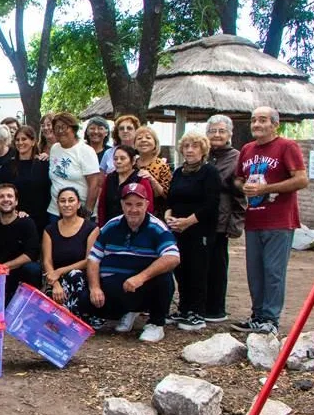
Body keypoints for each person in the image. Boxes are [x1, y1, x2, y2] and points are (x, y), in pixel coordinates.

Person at [231, 106, 308, 336]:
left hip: (279, 220)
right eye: (254, 120)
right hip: (254, 219)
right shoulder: (246, 149)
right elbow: (237, 179)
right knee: (254, 272)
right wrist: (243, 187)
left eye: (262, 120)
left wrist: (267, 188)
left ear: (275, 124)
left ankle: (271, 319)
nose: (256, 125)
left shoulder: (287, 147)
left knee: (273, 271)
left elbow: (301, 179)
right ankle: (257, 316)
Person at [81, 183, 180, 343]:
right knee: (86, 298)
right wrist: (95, 288)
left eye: (139, 204)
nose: (133, 209)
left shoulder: (157, 227)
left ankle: (156, 323)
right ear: (122, 205)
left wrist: (141, 277)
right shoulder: (111, 226)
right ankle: (126, 312)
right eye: (128, 204)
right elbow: (93, 258)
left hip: (142, 284)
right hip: (116, 284)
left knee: (165, 278)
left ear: (147, 204)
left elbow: (173, 257)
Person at [164, 132, 221, 332]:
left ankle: (197, 312)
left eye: (194, 146)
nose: (189, 150)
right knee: (180, 269)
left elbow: (211, 203)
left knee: (197, 270)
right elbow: (171, 198)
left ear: (203, 150)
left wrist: (188, 222)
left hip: (200, 229)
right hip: (177, 229)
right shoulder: (179, 172)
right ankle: (184, 308)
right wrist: (169, 216)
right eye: (186, 146)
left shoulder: (210, 173)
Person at [204, 115, 245, 323]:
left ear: (230, 134)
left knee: (217, 265)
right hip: (201, 219)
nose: (217, 135)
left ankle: (215, 308)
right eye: (213, 131)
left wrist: (235, 223)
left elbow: (240, 194)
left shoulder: (236, 158)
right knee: (202, 264)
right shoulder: (204, 154)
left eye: (221, 131)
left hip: (221, 219)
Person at [41, 188, 100, 325]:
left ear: (78, 204)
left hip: (82, 278)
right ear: (58, 205)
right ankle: (65, 319)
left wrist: (60, 271)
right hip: (56, 279)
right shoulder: (49, 230)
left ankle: (70, 321)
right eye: (63, 201)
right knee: (52, 294)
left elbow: (89, 260)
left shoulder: (91, 228)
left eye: (71, 200)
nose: (67, 204)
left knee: (75, 275)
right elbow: (47, 261)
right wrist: (55, 284)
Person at [0, 184, 42, 301]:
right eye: (1, 196)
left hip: (18, 272)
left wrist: (4, 267)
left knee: (33, 269)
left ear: (16, 201)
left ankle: (30, 305)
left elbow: (31, 254)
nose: (6, 199)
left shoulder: (27, 223)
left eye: (9, 196)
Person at [47, 112, 101, 222]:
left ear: (74, 129)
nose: (60, 131)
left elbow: (94, 185)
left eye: (64, 127)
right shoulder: (54, 149)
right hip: (55, 210)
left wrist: (87, 212)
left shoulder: (85, 151)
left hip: (79, 212)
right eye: (56, 128)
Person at [9, 126, 52, 234]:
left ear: (33, 142)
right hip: (15, 218)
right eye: (17, 140)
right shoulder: (8, 166)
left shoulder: (44, 165)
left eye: (24, 139)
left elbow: (48, 192)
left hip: (41, 219)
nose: (20, 142)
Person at [97, 146, 153, 226]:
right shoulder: (109, 178)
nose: (118, 162)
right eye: (115, 159)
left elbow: (148, 207)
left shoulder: (141, 179)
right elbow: (102, 205)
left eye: (122, 158)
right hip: (110, 226)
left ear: (133, 161)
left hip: (134, 227)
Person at [134, 126, 172, 215]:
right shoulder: (132, 164)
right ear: (134, 144)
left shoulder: (162, 165)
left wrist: (152, 179)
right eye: (139, 138)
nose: (143, 140)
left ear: (155, 143)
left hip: (156, 213)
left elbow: (167, 194)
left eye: (148, 137)